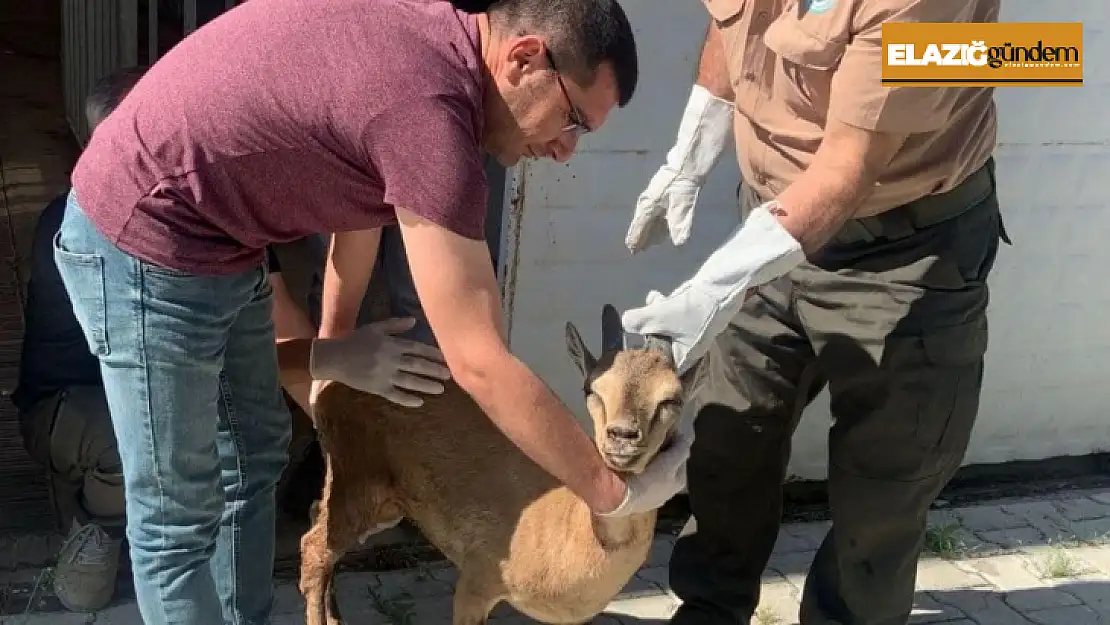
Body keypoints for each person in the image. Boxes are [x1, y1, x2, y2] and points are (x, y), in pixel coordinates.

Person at [53, 1, 688, 624]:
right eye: (573, 120)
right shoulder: (430, 116)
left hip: (223, 237)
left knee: (254, 457)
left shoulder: (436, 60)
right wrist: (613, 494)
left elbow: (361, 211)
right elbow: (481, 362)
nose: (565, 151)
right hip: (145, 233)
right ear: (525, 60)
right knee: (179, 518)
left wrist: (335, 349)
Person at [620, 1, 1009, 624]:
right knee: (726, 442)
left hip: (903, 252)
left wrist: (716, 285)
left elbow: (848, 167)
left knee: (881, 497)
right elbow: (736, 25)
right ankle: (709, 611)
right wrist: (690, 153)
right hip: (770, 226)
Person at [11, 65, 148, 613]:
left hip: (131, 394)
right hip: (72, 408)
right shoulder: (74, 221)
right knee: (130, 432)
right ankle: (96, 527)